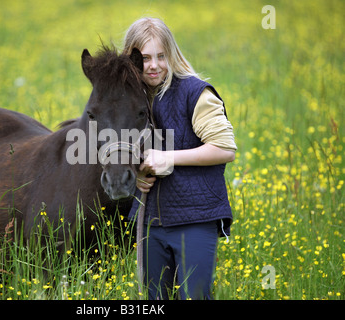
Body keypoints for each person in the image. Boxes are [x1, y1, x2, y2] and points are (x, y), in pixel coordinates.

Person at [123, 17, 237, 300]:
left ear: (171, 54)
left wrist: (168, 158)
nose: (153, 65)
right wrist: (136, 172)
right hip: (150, 221)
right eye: (145, 58)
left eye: (161, 56)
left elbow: (225, 148)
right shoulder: (130, 99)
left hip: (195, 218)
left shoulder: (195, 93)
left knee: (194, 297)